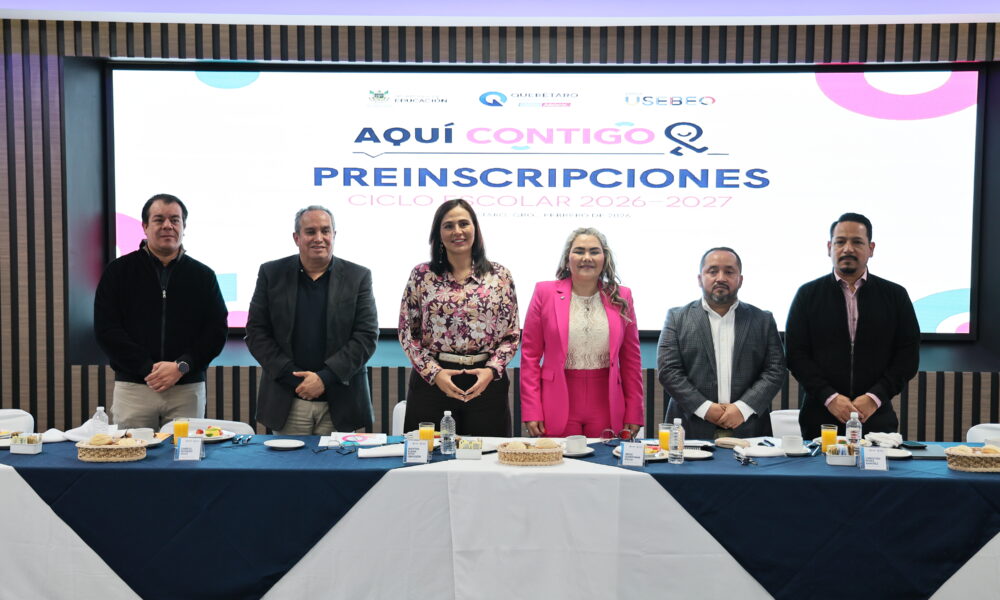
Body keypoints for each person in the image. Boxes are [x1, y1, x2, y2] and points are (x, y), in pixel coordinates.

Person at [94, 193, 228, 429]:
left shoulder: (203, 276)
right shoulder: (118, 271)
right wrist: (148, 369)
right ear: (145, 226)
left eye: (175, 220)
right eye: (159, 219)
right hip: (135, 388)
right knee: (132, 451)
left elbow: (216, 331)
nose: (168, 225)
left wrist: (181, 366)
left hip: (186, 388)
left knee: (185, 452)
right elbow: (107, 329)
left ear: (184, 227)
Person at [786, 213, 920, 439]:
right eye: (840, 242)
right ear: (829, 247)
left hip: (876, 418)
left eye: (857, 242)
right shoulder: (807, 295)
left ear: (871, 248)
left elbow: (907, 356)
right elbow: (796, 354)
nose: (847, 249)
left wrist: (874, 397)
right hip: (820, 419)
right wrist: (829, 397)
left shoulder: (895, 295)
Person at [246, 206, 378, 435]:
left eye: (325, 231)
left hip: (341, 402)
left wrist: (324, 379)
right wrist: (296, 380)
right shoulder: (271, 273)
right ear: (296, 238)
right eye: (310, 231)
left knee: (337, 460)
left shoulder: (358, 276)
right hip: (287, 400)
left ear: (334, 235)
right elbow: (257, 333)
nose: (319, 238)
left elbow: (366, 336)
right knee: (289, 460)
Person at [399, 199, 520, 437]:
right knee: (428, 456)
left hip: (486, 383)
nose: (457, 231)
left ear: (475, 228)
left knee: (487, 456)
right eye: (448, 226)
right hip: (432, 384)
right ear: (438, 234)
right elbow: (407, 333)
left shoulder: (500, 276)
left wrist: (491, 371)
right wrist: (434, 373)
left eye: (464, 224)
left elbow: (511, 335)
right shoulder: (422, 275)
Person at [520, 228, 643, 438]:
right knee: (559, 459)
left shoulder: (622, 296)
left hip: (606, 402)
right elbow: (530, 356)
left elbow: (631, 360)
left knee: (605, 459)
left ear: (605, 258)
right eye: (579, 251)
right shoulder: (544, 292)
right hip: (556, 401)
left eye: (594, 251)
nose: (587, 258)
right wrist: (532, 410)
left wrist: (634, 412)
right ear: (568, 258)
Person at [657, 247, 785, 439]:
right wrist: (705, 408)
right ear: (700, 278)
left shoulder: (763, 320)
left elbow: (775, 370)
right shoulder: (677, 318)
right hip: (689, 429)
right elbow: (669, 370)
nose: (721, 278)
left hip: (749, 429)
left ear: (740, 279)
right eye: (713, 271)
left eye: (729, 272)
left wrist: (742, 409)